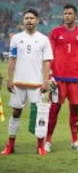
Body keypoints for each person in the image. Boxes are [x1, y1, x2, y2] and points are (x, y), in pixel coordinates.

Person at [1, 9, 53, 156]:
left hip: (36, 85)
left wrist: (45, 81)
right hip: (18, 83)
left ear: (37, 20)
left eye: (32, 18)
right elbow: (12, 59)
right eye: (26, 18)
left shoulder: (43, 39)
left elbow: (47, 62)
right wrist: (9, 79)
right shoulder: (16, 38)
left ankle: (40, 146)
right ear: (23, 20)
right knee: (15, 113)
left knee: (38, 115)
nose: (29, 20)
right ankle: (10, 145)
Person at [45, 4, 78, 152]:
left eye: (70, 13)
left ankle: (75, 141)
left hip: (76, 80)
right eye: (65, 13)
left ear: (76, 16)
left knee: (74, 111)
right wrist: (49, 75)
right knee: (54, 110)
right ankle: (47, 141)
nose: (67, 16)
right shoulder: (55, 32)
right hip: (58, 79)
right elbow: (49, 54)